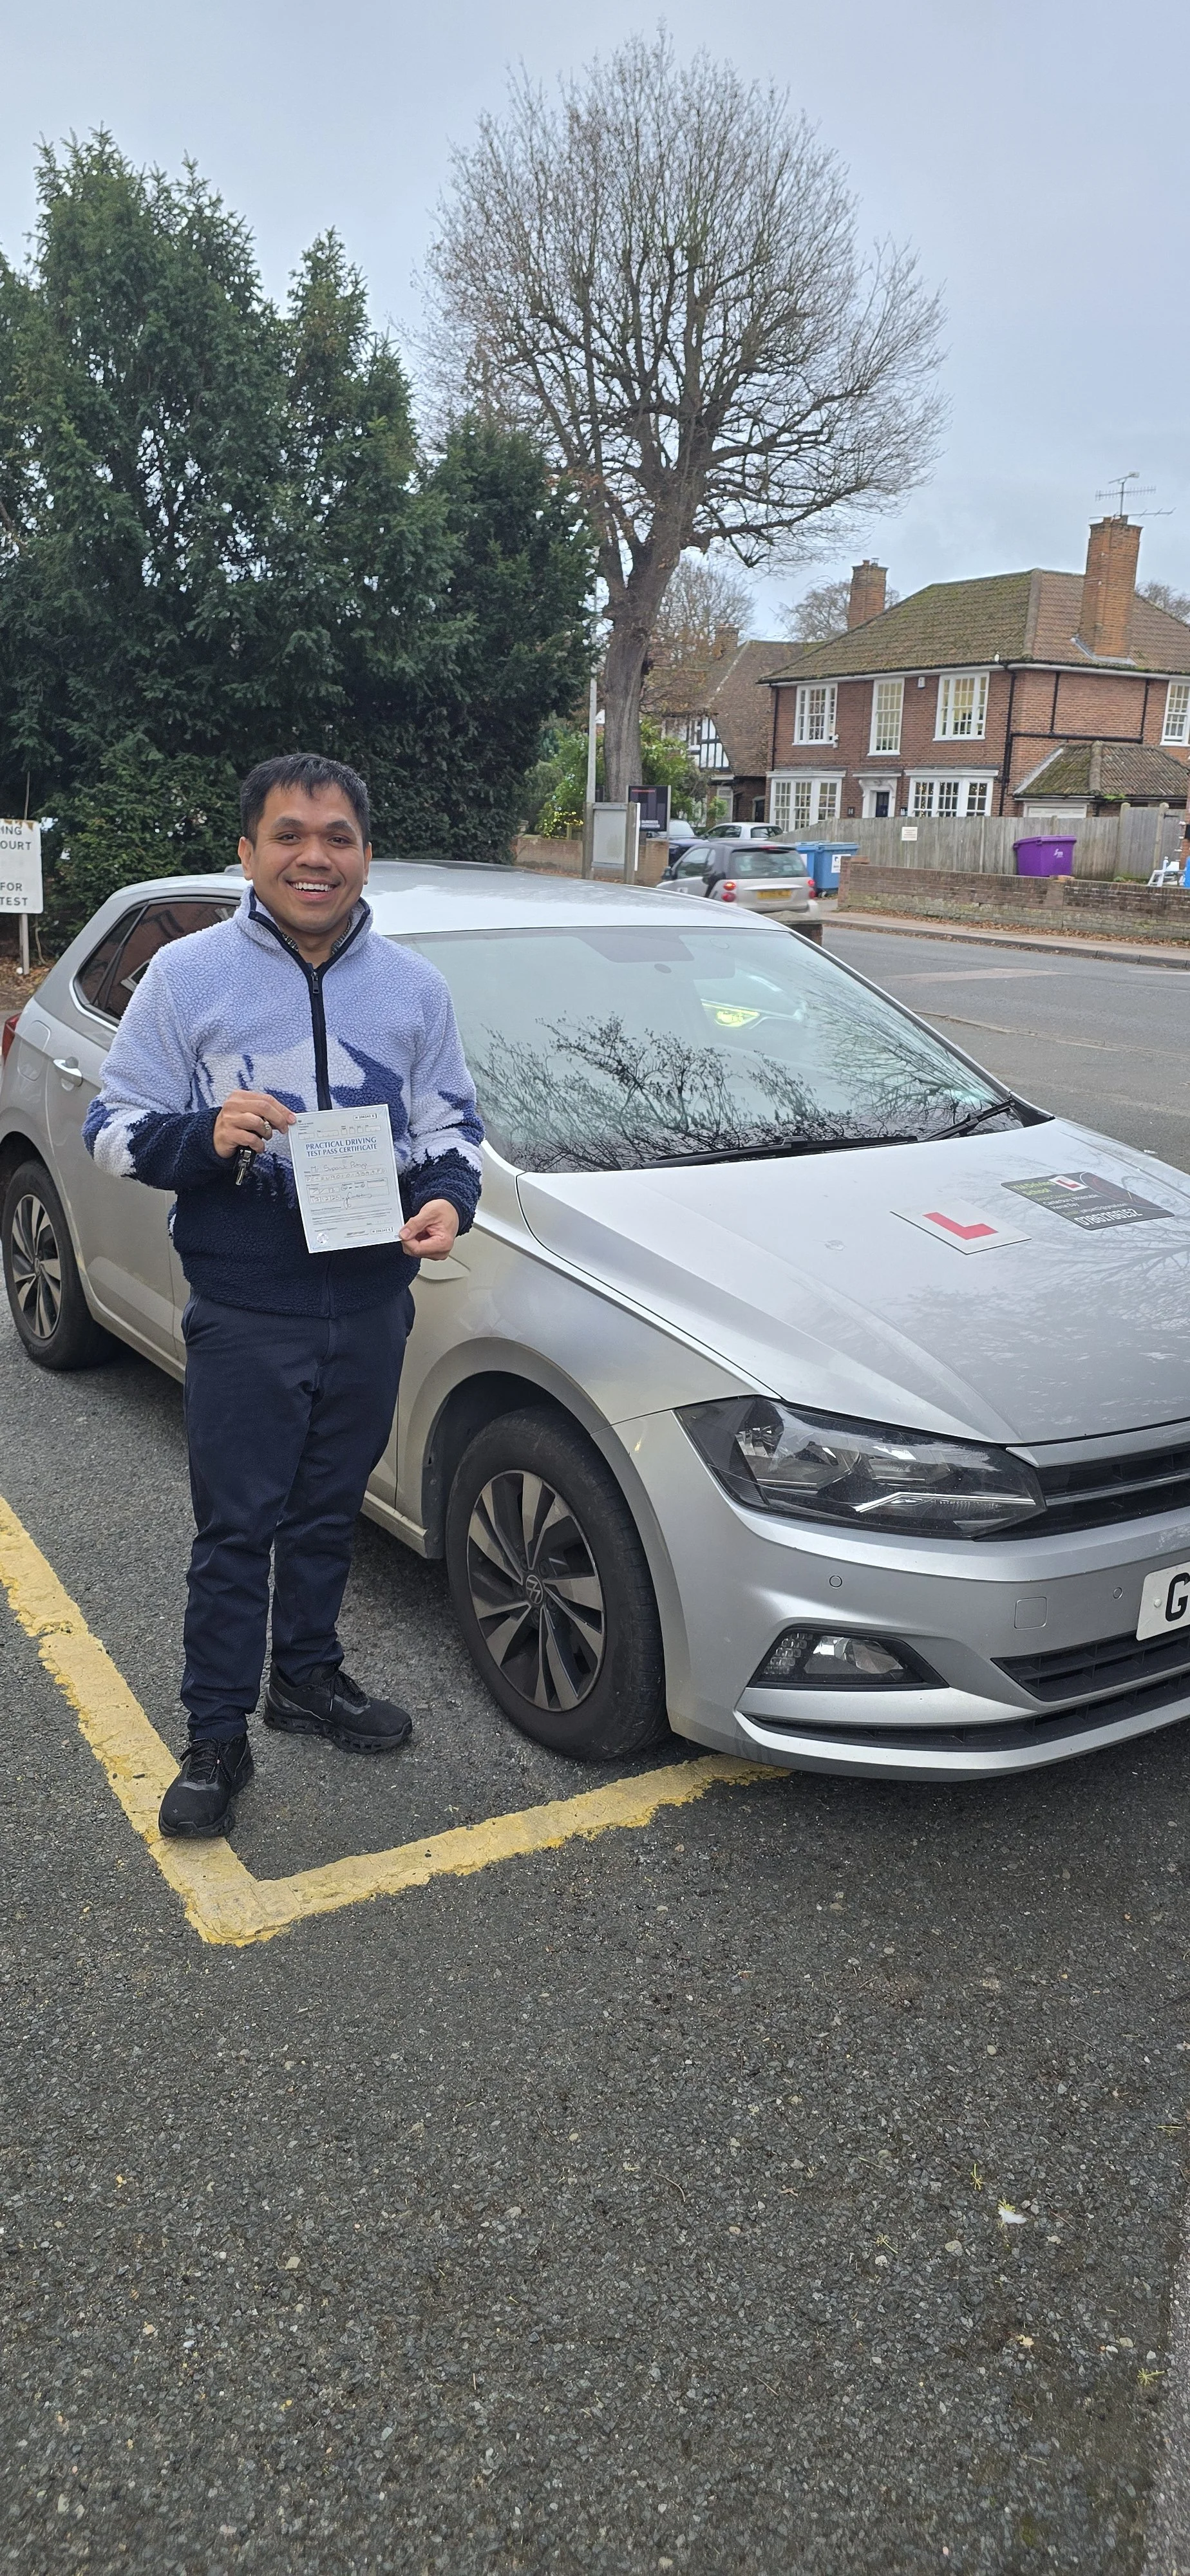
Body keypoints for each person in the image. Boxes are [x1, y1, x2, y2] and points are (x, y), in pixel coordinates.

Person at [84, 752, 483, 1841]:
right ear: (250, 851)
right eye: (291, 835)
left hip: (371, 1303)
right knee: (236, 1529)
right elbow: (111, 1130)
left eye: (339, 836)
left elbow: (448, 1127)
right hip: (247, 1307)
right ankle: (216, 1731)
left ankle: (306, 1678)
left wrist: (450, 1198)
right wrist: (202, 1141)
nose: (316, 856)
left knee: (326, 1513)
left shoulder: (413, 988)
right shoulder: (187, 978)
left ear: (364, 853)